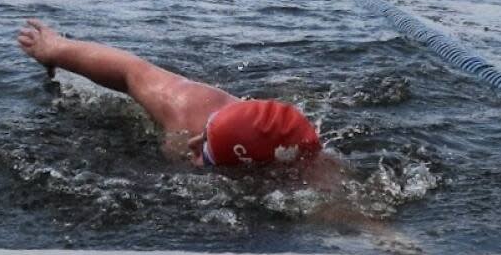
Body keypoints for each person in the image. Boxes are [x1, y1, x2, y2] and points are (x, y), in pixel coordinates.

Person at [16, 19, 322, 167]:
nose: (192, 146)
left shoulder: (316, 178)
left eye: (205, 153)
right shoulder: (187, 109)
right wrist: (54, 49)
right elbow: (129, 70)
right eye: (204, 136)